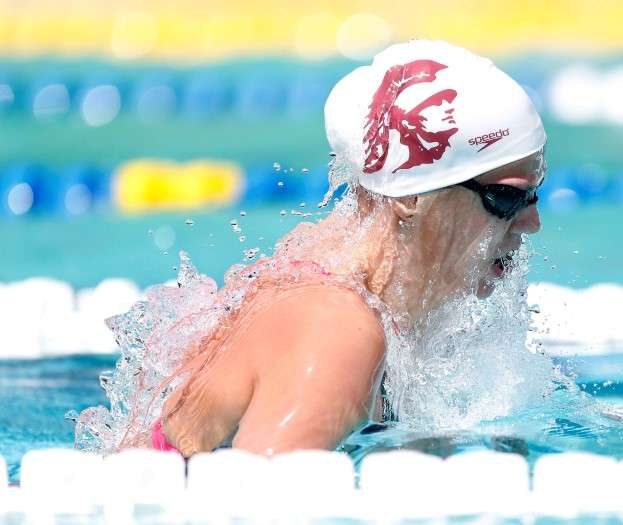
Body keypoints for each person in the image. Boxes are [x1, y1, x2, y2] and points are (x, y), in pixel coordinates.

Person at [78, 39, 548, 457]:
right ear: (410, 197)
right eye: (506, 198)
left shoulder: (372, 293)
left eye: (536, 193)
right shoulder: (336, 334)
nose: (532, 223)